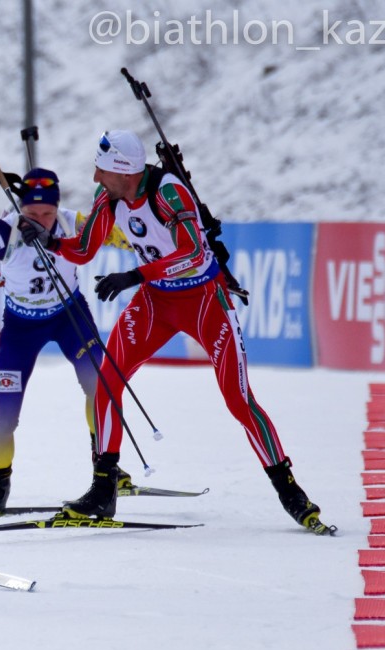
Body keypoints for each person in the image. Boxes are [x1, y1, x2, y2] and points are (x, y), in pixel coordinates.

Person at [35, 129, 331, 534]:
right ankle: (103, 489)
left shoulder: (168, 192)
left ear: (123, 171)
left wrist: (134, 274)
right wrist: (49, 241)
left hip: (205, 301)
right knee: (107, 380)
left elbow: (192, 253)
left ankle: (290, 490)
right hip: (157, 303)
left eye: (101, 170)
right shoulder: (109, 197)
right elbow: (85, 249)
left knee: (238, 400)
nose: (94, 178)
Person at [0, 167, 134, 514]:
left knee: (99, 388)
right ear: (21, 209)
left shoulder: (74, 222)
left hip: (69, 317)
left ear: (58, 206)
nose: (42, 219)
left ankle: (106, 471)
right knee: (6, 416)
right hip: (20, 327)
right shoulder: (6, 231)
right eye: (33, 213)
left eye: (48, 213)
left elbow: (123, 235)